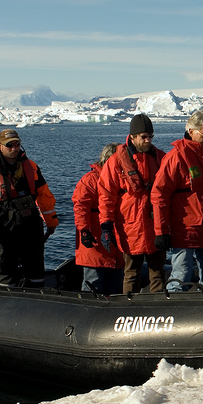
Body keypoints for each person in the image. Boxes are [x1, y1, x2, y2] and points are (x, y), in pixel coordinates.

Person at [152, 111, 203, 292]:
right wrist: (161, 231)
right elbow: (159, 195)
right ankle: (174, 311)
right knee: (180, 276)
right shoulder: (176, 157)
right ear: (191, 131)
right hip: (185, 229)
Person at [0, 129, 59, 286]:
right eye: (9, 145)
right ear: (0, 146)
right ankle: (6, 297)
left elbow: (44, 196)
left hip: (30, 222)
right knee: (4, 263)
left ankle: (37, 295)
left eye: (17, 144)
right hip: (5, 225)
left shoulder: (31, 167)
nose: (14, 148)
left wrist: (51, 222)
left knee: (35, 263)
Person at [98, 114, 167, 294]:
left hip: (155, 226)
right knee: (131, 273)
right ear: (133, 137)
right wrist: (106, 225)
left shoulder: (160, 158)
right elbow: (106, 195)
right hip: (130, 227)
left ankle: (158, 309)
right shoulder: (115, 162)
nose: (148, 140)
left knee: (158, 272)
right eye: (144, 137)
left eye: (150, 137)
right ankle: (129, 309)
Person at [72, 142, 123, 295]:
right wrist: (84, 231)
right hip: (95, 241)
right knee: (93, 282)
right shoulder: (90, 180)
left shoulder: (121, 181)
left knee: (115, 285)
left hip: (115, 243)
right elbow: (80, 207)